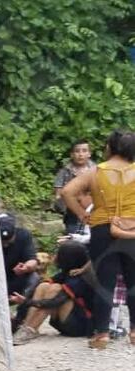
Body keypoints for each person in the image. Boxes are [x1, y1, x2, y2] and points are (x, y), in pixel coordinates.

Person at [61, 130, 135, 349]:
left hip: (103, 228)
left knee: (105, 281)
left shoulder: (95, 172)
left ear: (110, 147)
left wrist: (83, 214)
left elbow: (67, 192)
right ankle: (134, 331)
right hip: (132, 228)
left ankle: (102, 333)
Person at [11, 242, 97, 345]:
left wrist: (26, 301)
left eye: (58, 254)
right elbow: (36, 290)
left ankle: (31, 329)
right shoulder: (67, 272)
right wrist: (19, 316)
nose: (55, 257)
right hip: (61, 322)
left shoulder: (81, 278)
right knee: (44, 286)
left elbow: (55, 302)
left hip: (80, 326)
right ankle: (26, 326)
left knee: (56, 288)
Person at [0, 212, 39, 319]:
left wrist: (26, 267)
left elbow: (33, 260)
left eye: (8, 242)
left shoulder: (24, 235)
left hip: (14, 280)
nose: (5, 245)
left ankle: (21, 318)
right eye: (3, 243)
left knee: (34, 278)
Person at [53, 139, 95, 235]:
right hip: (71, 211)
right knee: (73, 236)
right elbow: (58, 194)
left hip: (92, 210)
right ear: (72, 154)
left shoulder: (96, 170)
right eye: (77, 151)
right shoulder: (64, 172)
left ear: (89, 154)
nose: (80, 154)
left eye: (84, 151)